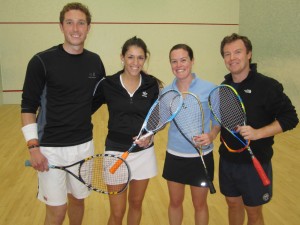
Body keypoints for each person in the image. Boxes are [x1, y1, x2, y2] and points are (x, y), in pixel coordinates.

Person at [21, 2, 106, 225]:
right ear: (61, 26)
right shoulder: (41, 61)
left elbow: (98, 97)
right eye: (69, 23)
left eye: (81, 23)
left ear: (89, 27)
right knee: (57, 212)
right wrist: (33, 147)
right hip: (50, 149)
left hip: (83, 146)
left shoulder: (95, 62)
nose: (75, 28)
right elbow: (28, 107)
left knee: (78, 201)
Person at [218, 33, 299, 225]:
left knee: (253, 212)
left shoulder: (267, 86)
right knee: (232, 204)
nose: (232, 58)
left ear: (249, 54)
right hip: (228, 160)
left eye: (238, 52)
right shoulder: (224, 87)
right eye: (227, 54)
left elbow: (291, 118)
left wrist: (258, 133)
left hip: (254, 163)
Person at [92, 36, 161, 225]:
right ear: (122, 57)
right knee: (117, 211)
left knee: (136, 203)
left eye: (140, 58)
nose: (135, 62)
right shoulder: (108, 83)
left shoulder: (151, 84)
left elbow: (157, 116)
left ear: (145, 59)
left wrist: (151, 134)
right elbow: (85, 108)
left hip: (144, 153)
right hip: (115, 153)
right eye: (131, 57)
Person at [162, 44, 220, 225]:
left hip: (201, 156)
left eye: (183, 60)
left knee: (200, 204)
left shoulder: (210, 88)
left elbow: (217, 122)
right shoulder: (166, 92)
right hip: (175, 155)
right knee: (175, 202)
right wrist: (149, 134)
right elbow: (163, 122)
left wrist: (211, 135)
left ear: (192, 61)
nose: (179, 65)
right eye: (174, 61)